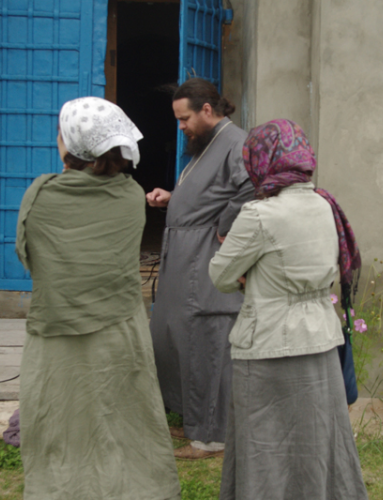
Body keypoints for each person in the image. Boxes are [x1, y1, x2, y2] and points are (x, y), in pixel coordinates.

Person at [15, 97, 181, 500]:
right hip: (119, 332)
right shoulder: (129, 196)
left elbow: (28, 254)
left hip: (58, 334)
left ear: (69, 146)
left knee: (62, 419)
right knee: (123, 418)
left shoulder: (40, 195)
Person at [209, 119, 369, 500]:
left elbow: (220, 274)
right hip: (320, 341)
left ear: (260, 160)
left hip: (267, 345)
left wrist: (248, 274)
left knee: (265, 447)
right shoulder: (326, 206)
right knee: (316, 446)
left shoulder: (259, 215)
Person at [146, 78, 254, 459]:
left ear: (207, 110)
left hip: (204, 260)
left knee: (206, 344)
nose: (181, 127)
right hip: (186, 255)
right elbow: (212, 193)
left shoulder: (236, 142)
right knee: (177, 337)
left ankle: (211, 437)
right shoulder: (210, 143)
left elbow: (250, 189)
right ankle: (191, 420)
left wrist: (223, 228)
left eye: (184, 118)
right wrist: (173, 200)